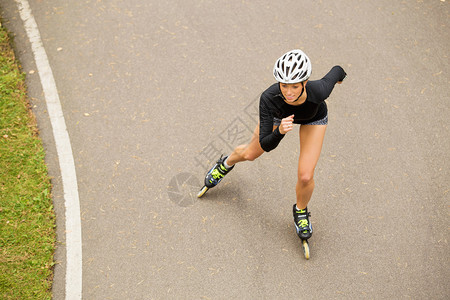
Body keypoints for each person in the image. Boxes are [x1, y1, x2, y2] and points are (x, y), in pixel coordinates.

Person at [200, 49, 346, 241]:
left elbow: (337, 70)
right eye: (284, 85)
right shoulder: (269, 98)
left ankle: (300, 211)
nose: (288, 92)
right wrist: (280, 131)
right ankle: (225, 163)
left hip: (314, 118)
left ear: (304, 83)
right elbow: (266, 145)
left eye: (294, 86)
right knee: (251, 153)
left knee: (305, 175)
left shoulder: (319, 90)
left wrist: (340, 77)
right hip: (279, 118)